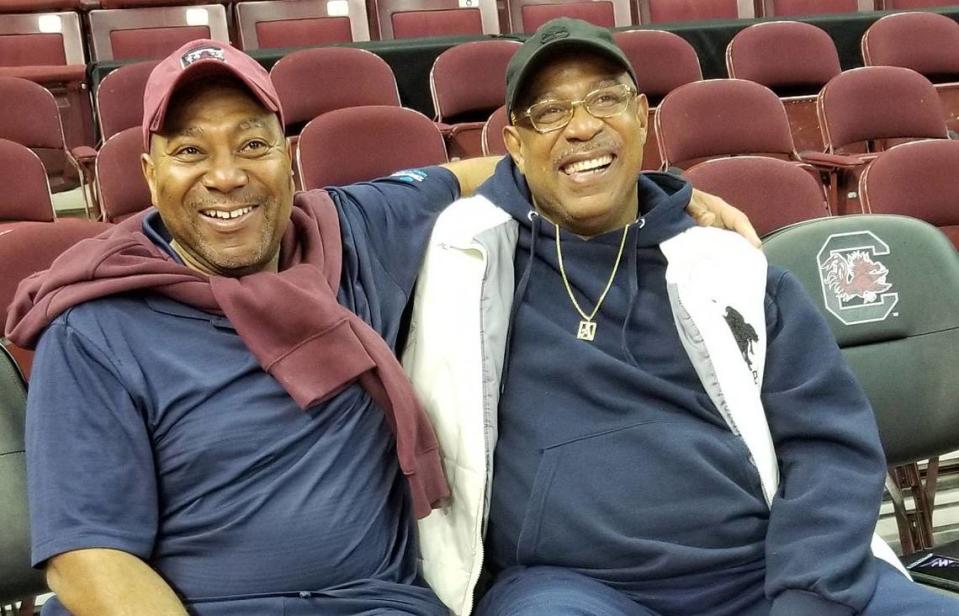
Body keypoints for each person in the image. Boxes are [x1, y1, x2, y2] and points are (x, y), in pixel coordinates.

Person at [4, 39, 747, 616]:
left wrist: (659, 196)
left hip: (381, 601)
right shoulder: (97, 327)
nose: (226, 175)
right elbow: (88, 558)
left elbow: (489, 171)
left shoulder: (347, 231)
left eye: (252, 144)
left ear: (289, 158)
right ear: (148, 170)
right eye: (191, 151)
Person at [403, 18, 959, 616]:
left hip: (767, 569)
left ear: (642, 116)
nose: (584, 126)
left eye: (605, 99)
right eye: (550, 113)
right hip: (574, 589)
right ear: (513, 144)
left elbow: (830, 446)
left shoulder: (730, 268)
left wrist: (807, 596)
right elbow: (310, 219)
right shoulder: (460, 261)